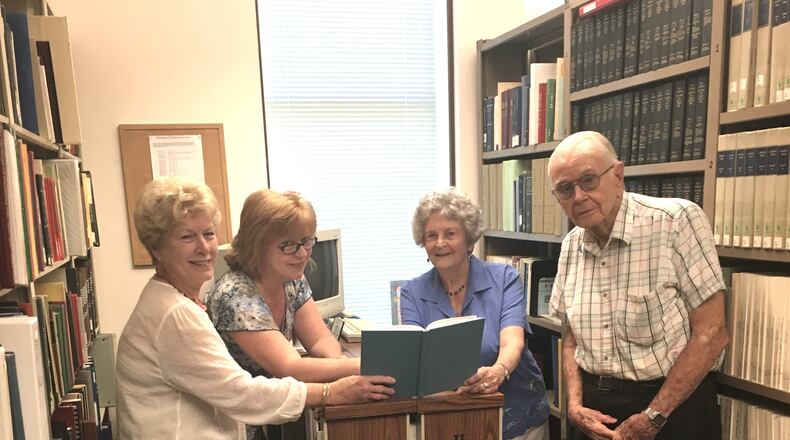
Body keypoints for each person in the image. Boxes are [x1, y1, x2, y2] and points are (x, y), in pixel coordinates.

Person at [116, 177, 394, 439]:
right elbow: (242, 393)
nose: (204, 248)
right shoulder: (177, 313)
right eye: (187, 237)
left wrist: (339, 373)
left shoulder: (178, 299)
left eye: (209, 234)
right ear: (157, 248)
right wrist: (331, 392)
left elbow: (319, 341)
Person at [546, 131, 729, 440]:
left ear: (618, 175)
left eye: (588, 180)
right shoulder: (570, 246)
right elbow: (570, 341)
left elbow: (712, 334)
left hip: (672, 411)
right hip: (596, 416)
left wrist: (653, 417)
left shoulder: (676, 222)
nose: (578, 197)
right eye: (565, 189)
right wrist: (575, 406)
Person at [204, 189, 361, 439]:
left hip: (272, 411)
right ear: (257, 244)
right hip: (234, 424)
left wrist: (339, 365)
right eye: (288, 245)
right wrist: (361, 366)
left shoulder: (292, 281)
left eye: (307, 241)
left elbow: (320, 340)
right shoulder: (234, 295)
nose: (302, 254)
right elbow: (290, 367)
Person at [399, 187, 550, 440]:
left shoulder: (505, 279)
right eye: (431, 236)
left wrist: (498, 371)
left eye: (450, 234)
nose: (440, 243)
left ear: (469, 239)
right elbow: (417, 361)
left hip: (519, 418)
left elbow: (513, 341)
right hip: (451, 420)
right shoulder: (412, 293)